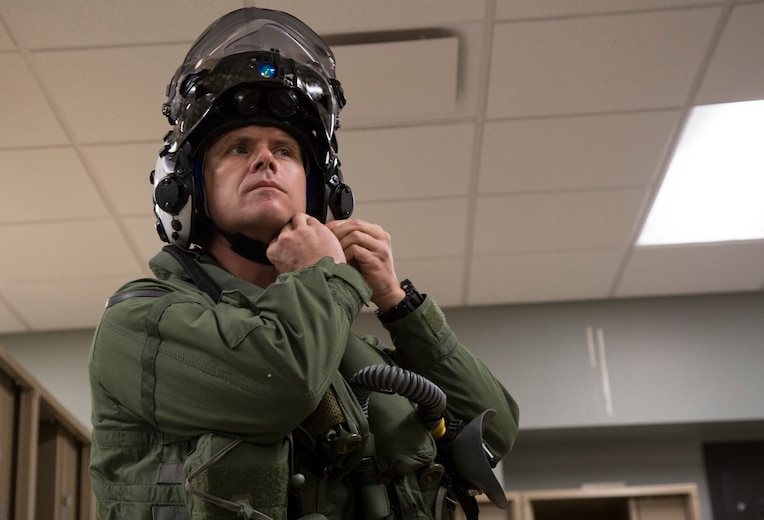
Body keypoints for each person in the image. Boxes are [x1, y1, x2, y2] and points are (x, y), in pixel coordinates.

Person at [88, 7, 519, 520]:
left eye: (285, 150)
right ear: (188, 190)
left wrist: (398, 304)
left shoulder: (345, 345)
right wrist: (323, 276)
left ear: (319, 193)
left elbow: (494, 430)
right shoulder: (140, 323)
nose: (265, 159)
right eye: (238, 147)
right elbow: (284, 384)